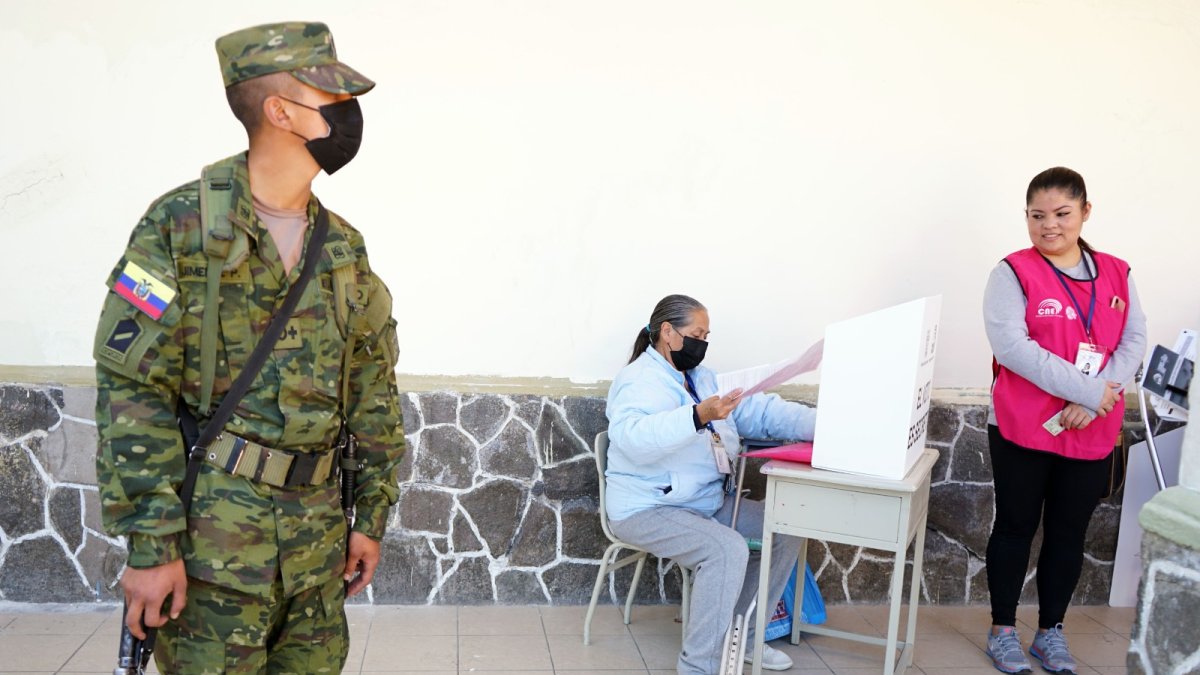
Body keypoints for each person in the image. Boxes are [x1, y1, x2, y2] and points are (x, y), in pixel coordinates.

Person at [93, 22, 405, 673]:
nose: (348, 115)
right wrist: (152, 545)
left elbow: (373, 389)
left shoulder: (344, 248)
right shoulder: (179, 228)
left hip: (317, 557)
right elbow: (132, 391)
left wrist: (370, 513)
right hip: (212, 559)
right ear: (279, 109)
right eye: (331, 96)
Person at [983, 167, 1146, 673]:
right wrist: (1089, 390)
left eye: (1061, 214)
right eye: (1037, 216)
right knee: (1014, 527)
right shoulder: (1011, 272)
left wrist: (1099, 397)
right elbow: (1013, 349)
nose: (1048, 225)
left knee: (1068, 533)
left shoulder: (1118, 272)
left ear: (1085, 212)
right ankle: (1003, 630)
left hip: (1091, 426)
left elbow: (1133, 342)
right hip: (1023, 426)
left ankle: (1050, 632)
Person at [605, 294, 817, 673]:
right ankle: (698, 664)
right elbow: (632, 439)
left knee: (786, 526)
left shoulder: (703, 378)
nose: (702, 343)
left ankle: (747, 637)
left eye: (706, 335)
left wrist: (824, 426)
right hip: (647, 507)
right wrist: (697, 417)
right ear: (667, 333)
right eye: (696, 334)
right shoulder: (636, 381)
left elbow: (759, 410)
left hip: (704, 503)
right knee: (726, 549)